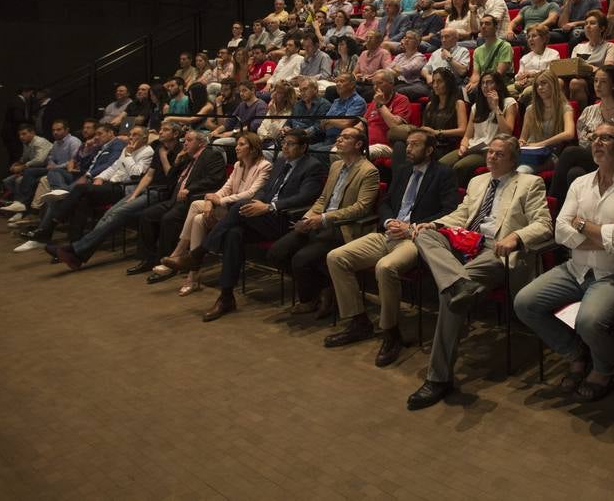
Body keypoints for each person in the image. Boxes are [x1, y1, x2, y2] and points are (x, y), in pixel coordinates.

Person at [406, 135, 553, 410]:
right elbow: (462, 214)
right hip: (465, 242)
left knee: (449, 297)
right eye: (490, 153)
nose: (491, 157)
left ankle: (438, 378)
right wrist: (435, 224)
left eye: (499, 154)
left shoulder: (530, 184)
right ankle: (460, 283)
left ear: (512, 159)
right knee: (424, 236)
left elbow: (544, 225)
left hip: (496, 250)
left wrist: (516, 238)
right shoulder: (476, 181)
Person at [515, 122, 614, 401]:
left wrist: (581, 224)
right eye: (594, 137)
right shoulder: (580, 183)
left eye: (606, 138)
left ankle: (604, 368)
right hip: (575, 267)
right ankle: (575, 352)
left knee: (589, 320)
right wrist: (608, 230)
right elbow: (560, 232)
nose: (597, 142)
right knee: (524, 303)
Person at [323, 129, 461, 364]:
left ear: (429, 150)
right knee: (336, 257)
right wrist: (388, 221)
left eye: (415, 145)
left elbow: (450, 210)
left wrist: (413, 226)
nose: (408, 149)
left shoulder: (443, 174)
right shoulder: (403, 170)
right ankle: (358, 322)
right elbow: (385, 203)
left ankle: (391, 332)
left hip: (416, 238)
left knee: (385, 268)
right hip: (387, 233)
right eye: (407, 144)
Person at [196, 130, 330, 320]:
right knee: (234, 233)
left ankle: (200, 252)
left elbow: (306, 196)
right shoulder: (281, 162)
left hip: (286, 219)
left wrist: (269, 207)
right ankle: (226, 297)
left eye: (290, 144)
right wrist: (258, 203)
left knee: (240, 207)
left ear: (303, 147)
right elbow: (265, 190)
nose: (284, 146)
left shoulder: (313, 166)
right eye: (284, 143)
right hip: (265, 218)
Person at [268, 127, 379, 318]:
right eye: (338, 136)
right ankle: (324, 287)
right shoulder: (336, 166)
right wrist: (307, 217)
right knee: (277, 252)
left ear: (359, 144)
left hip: (343, 226)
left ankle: (309, 299)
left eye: (345, 137)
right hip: (319, 221)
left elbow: (361, 208)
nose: (339, 140)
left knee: (301, 259)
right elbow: (322, 199)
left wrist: (325, 219)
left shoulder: (369, 171)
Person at [157, 130, 273, 294]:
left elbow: (251, 193)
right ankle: (192, 275)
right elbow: (225, 188)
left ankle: (180, 253)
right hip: (229, 208)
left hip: (242, 212)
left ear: (253, 149)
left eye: (241, 144)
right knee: (198, 219)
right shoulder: (239, 165)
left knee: (197, 205)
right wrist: (212, 199)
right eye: (237, 144)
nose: (237, 148)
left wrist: (218, 201)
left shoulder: (265, 166)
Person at [64, 122, 183, 269]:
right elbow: (148, 176)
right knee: (109, 212)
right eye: (161, 129)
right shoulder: (159, 147)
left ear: (176, 134)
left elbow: (171, 177)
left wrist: (164, 157)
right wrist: (135, 194)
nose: (161, 132)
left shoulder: (179, 151)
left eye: (166, 130)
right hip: (145, 189)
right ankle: (79, 253)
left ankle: (76, 249)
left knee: (117, 213)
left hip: (161, 192)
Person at [34, 126, 155, 264]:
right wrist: (101, 178)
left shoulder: (147, 151)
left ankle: (56, 220)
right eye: (130, 134)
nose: (131, 137)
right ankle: (71, 249)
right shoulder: (126, 149)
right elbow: (113, 167)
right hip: (110, 185)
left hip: (124, 188)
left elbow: (136, 173)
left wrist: (128, 154)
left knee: (80, 189)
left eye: (135, 135)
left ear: (145, 138)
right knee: (82, 201)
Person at [11, 125, 132, 252]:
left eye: (100, 133)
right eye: (96, 134)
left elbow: (110, 165)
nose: (96, 137)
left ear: (111, 133)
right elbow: (85, 164)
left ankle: (43, 235)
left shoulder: (117, 144)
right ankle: (64, 193)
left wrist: (89, 175)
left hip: (97, 180)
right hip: (84, 174)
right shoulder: (101, 146)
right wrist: (87, 149)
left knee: (57, 200)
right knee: (53, 173)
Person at [134, 128, 227, 282]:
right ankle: (148, 259)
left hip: (191, 199)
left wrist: (190, 189)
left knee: (168, 219)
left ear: (201, 142)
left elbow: (215, 179)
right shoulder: (186, 157)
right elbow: (170, 179)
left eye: (189, 140)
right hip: (174, 199)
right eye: (185, 140)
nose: (185, 143)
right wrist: (177, 162)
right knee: (147, 215)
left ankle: (168, 263)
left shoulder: (212, 155)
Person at [551, 65, 614, 203]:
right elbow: (583, 141)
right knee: (574, 173)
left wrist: (594, 137)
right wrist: (605, 138)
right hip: (592, 156)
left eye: (603, 82)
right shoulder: (588, 111)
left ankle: (552, 203)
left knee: (570, 152)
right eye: (596, 81)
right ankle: (578, 213)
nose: (598, 85)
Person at [440, 72, 517, 187]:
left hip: (489, 149)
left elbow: (508, 132)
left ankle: (456, 197)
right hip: (472, 146)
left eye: (489, 82)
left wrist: (496, 108)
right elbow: (467, 135)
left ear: (498, 85)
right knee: (441, 164)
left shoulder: (509, 103)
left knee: (460, 166)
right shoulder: (476, 106)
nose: (485, 86)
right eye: (483, 83)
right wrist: (463, 146)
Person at [517, 70, 575, 174]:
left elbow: (569, 133)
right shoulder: (531, 109)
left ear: (553, 84)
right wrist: (521, 142)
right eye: (537, 85)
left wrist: (540, 144)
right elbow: (523, 137)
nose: (539, 88)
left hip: (549, 155)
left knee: (521, 171)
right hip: (530, 153)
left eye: (544, 83)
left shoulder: (565, 108)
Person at [0, 123, 52, 208]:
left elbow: (40, 160)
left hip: (46, 167)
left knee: (19, 179)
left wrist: (22, 167)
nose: (21, 137)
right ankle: (17, 203)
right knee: (7, 181)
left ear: (32, 133)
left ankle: (22, 203)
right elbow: (24, 158)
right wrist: (16, 164)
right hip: (35, 168)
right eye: (19, 134)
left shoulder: (39, 142)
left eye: (24, 134)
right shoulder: (26, 143)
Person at [365, 70, 412, 159]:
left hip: (386, 146)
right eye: (374, 84)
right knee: (335, 151)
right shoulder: (375, 101)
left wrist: (380, 104)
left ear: (391, 83)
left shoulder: (401, 100)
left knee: (364, 153)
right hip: (367, 143)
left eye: (379, 83)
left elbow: (394, 126)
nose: (375, 87)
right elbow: (362, 123)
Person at [467, 14, 513, 94]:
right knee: (465, 91)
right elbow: (476, 74)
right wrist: (471, 84)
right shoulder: (477, 51)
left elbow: (499, 73)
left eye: (487, 24)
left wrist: (478, 84)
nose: (483, 26)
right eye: (481, 24)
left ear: (495, 27)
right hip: (484, 84)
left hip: (499, 84)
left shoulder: (505, 46)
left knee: (476, 92)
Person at [0, 87, 34, 163]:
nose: (30, 96)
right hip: (12, 133)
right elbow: (18, 118)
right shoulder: (18, 102)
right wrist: (29, 122)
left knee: (14, 154)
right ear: (24, 92)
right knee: (16, 154)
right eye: (30, 93)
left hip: (10, 132)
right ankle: (14, 171)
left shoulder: (17, 101)